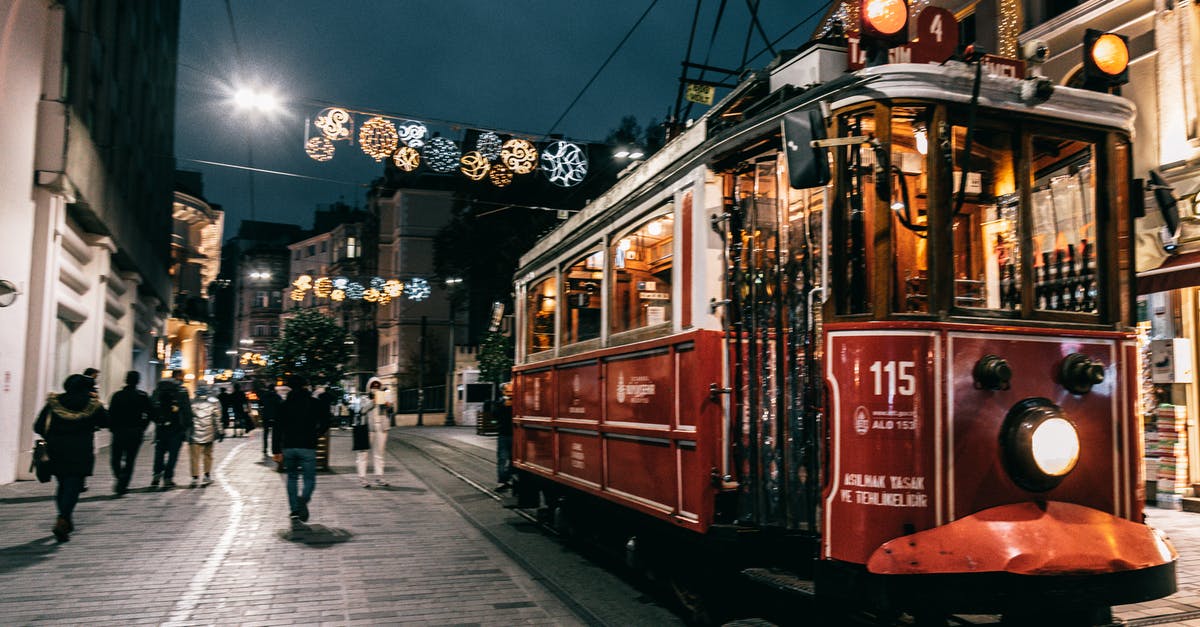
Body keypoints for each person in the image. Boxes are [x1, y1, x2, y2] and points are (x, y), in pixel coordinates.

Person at [34, 374, 109, 542]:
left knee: (62, 484)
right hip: (80, 451)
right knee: (73, 485)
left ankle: (65, 518)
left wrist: (55, 434)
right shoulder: (92, 404)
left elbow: (38, 426)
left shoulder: (54, 403)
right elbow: (106, 422)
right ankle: (63, 518)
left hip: (56, 450)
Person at [272, 375, 330, 522]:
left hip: (289, 446)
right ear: (305, 386)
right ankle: (303, 500)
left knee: (291, 478)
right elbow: (326, 422)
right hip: (308, 446)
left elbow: (277, 428)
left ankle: (294, 510)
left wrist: (276, 450)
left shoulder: (283, 405)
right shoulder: (314, 403)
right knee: (309, 478)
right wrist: (317, 435)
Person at [107, 370, 154, 494]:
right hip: (135, 431)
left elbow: (111, 414)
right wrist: (143, 427)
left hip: (119, 431)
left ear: (126, 380)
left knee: (115, 458)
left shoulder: (117, 395)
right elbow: (150, 414)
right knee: (130, 459)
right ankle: (124, 482)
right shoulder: (142, 396)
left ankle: (120, 477)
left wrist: (112, 428)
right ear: (138, 381)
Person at [151, 369, 193, 488]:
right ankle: (168, 477)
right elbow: (187, 409)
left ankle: (156, 474)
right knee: (173, 454)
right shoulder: (182, 390)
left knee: (159, 452)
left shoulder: (159, 389)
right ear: (179, 376)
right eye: (182, 376)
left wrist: (158, 421)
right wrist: (188, 425)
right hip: (177, 428)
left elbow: (152, 406)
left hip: (161, 427)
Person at [355, 392, 389, 487]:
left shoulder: (383, 396)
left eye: (377, 385)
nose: (375, 387)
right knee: (363, 453)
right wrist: (373, 402)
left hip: (382, 428)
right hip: (367, 428)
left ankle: (379, 476)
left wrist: (387, 405)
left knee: (379, 454)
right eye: (373, 385)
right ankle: (362, 478)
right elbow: (361, 410)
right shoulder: (363, 398)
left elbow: (390, 410)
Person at [187, 397, 223, 487]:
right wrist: (220, 431)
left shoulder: (191, 403)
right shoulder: (214, 403)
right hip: (209, 433)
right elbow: (217, 419)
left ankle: (195, 478)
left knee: (194, 457)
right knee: (208, 455)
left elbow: (186, 419)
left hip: (194, 434)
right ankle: (207, 476)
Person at [494, 382, 514, 492]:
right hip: (513, 434)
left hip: (503, 434)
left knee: (502, 459)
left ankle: (502, 481)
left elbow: (495, 415)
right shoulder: (516, 401)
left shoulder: (499, 402)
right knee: (512, 459)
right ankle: (506, 479)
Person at [257, 381, 281, 458]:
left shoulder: (264, 396)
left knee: (265, 434)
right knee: (275, 434)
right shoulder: (277, 396)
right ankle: (274, 449)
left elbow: (260, 405)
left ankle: (265, 448)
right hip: (275, 417)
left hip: (266, 416)